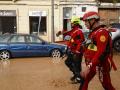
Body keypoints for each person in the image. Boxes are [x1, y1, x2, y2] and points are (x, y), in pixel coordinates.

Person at [80, 11, 117, 90]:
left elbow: (100, 52)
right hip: (93, 64)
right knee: (84, 81)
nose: (85, 23)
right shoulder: (94, 32)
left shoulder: (101, 32)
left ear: (93, 20)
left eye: (86, 21)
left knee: (107, 86)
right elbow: (92, 47)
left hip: (100, 65)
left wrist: (89, 67)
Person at [56, 16, 85, 83]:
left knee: (77, 66)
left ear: (75, 23)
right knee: (68, 62)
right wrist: (60, 33)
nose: (70, 24)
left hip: (77, 53)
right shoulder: (74, 30)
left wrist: (77, 52)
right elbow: (68, 32)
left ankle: (79, 78)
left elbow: (80, 43)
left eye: (71, 23)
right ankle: (77, 75)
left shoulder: (79, 32)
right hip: (72, 51)